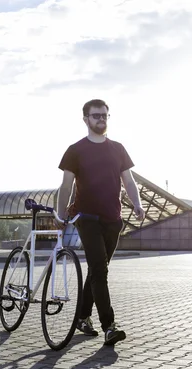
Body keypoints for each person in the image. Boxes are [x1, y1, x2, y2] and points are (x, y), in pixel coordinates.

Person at [57, 99, 145, 346]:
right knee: (100, 271)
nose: (101, 120)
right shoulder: (75, 150)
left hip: (112, 219)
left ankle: (82, 318)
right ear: (85, 119)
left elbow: (128, 181)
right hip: (87, 218)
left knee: (97, 270)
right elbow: (66, 186)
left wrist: (137, 204)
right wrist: (61, 214)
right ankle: (109, 326)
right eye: (96, 116)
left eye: (105, 115)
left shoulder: (117, 148)